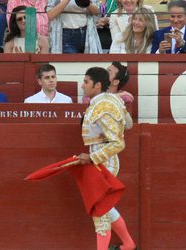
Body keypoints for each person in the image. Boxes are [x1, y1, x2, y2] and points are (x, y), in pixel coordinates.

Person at [78, 67, 136, 250]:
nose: (82, 86)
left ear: (97, 85)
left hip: (104, 164)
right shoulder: (112, 99)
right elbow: (128, 124)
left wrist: (92, 157)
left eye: (86, 82)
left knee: (100, 212)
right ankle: (128, 244)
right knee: (105, 208)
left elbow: (118, 143)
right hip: (101, 162)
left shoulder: (104, 105)